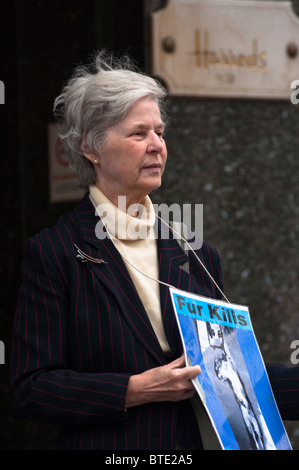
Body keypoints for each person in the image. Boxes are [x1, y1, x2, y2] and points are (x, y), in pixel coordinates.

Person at [10, 51, 224, 450]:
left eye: (160, 132)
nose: (157, 145)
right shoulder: (54, 251)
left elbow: (235, 377)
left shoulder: (196, 252)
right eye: (138, 133)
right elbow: (32, 387)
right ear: (92, 148)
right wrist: (132, 389)